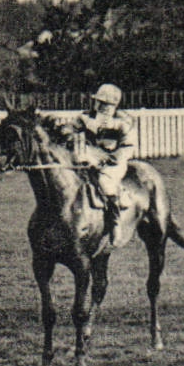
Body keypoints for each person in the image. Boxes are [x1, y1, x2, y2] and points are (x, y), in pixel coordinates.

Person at [71, 83, 137, 247]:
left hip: (113, 162)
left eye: (106, 104)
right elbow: (71, 128)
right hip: (89, 158)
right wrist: (66, 131)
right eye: (99, 102)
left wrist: (108, 160)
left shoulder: (123, 122)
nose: (101, 107)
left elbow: (127, 147)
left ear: (114, 105)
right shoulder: (85, 117)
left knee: (107, 186)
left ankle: (115, 223)